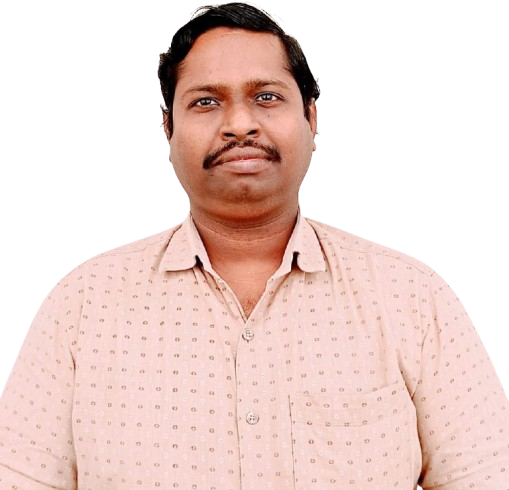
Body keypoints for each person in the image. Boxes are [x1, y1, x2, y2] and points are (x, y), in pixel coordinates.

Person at [1, 2, 508, 488]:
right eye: (206, 101)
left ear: (311, 118)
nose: (240, 124)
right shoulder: (83, 306)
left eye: (266, 97)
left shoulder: (409, 298)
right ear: (168, 129)